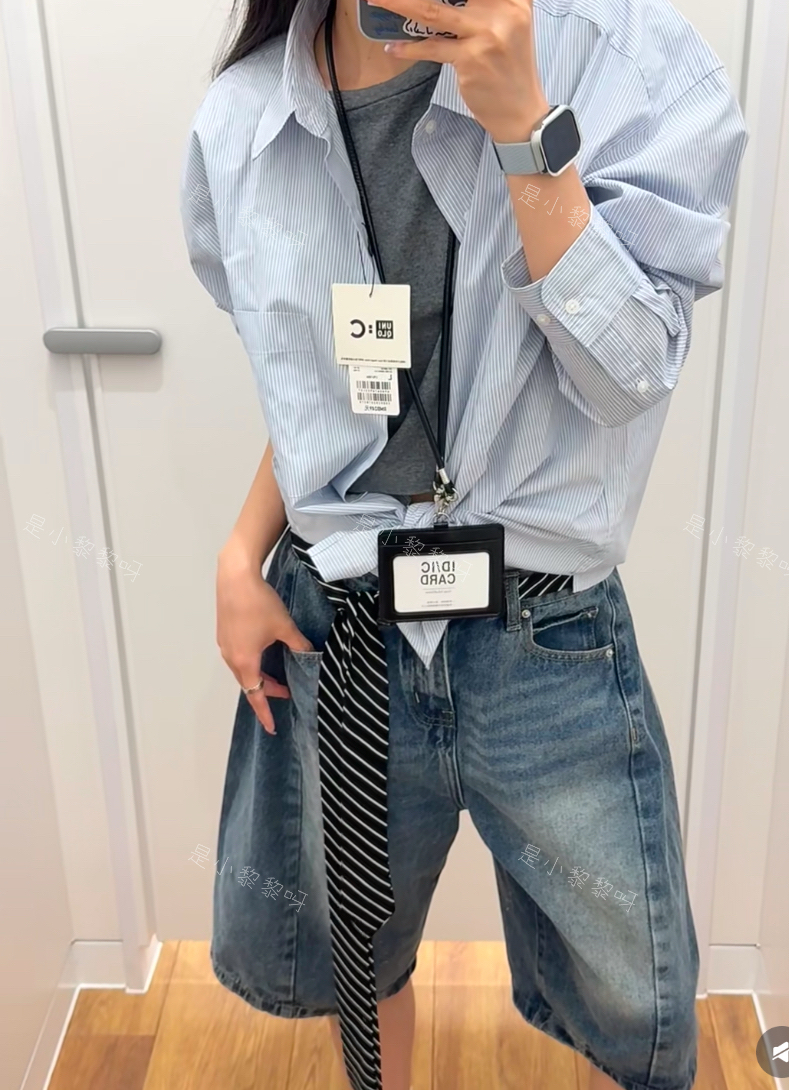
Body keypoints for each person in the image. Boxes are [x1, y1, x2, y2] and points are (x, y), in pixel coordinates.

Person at [180, 0, 748, 1084]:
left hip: (547, 639)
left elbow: (627, 373)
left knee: (637, 996)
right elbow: (320, 391)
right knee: (363, 952)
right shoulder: (243, 123)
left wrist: (528, 135)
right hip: (346, 629)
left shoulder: (627, 58)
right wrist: (241, 552)